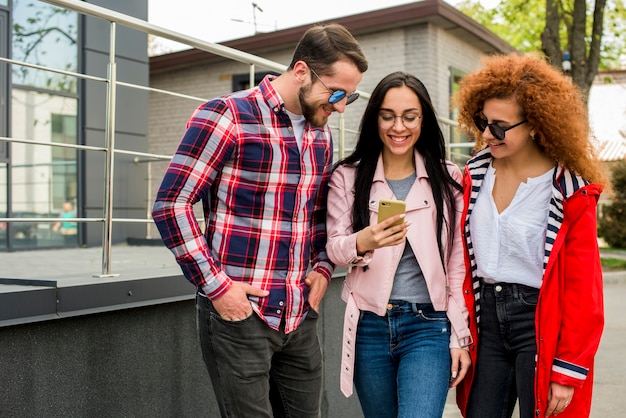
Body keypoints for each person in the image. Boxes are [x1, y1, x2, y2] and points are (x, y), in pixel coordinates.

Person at [151, 23, 368, 418]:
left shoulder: (320, 135)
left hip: (299, 314)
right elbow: (171, 205)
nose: (339, 107)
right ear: (301, 71)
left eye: (348, 99)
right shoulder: (227, 115)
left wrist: (322, 267)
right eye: (336, 93)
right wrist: (218, 289)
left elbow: (314, 212)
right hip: (239, 313)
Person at [453, 53, 606, 418]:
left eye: (500, 126)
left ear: (535, 124)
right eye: (482, 121)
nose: (487, 134)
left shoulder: (571, 192)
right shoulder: (472, 174)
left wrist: (568, 369)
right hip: (485, 319)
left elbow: (584, 290)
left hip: (539, 322)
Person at [326, 71, 472, 418]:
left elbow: (456, 264)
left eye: (410, 116)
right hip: (369, 326)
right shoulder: (347, 176)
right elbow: (334, 248)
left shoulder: (448, 177)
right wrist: (364, 240)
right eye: (388, 115)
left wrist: (459, 335)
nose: (398, 127)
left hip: (428, 326)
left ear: (424, 120)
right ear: (375, 117)